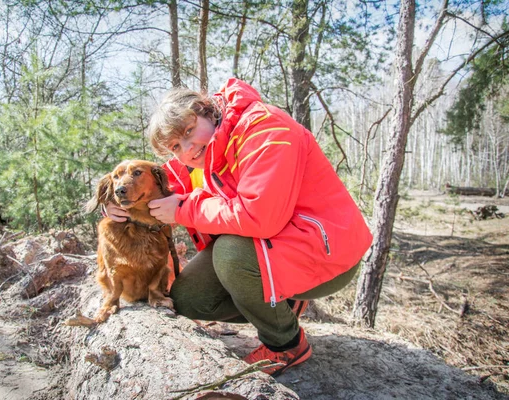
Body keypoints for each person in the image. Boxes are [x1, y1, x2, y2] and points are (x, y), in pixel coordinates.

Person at [106, 78, 373, 377]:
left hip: (326, 251)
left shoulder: (267, 130)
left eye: (189, 131)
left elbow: (260, 217)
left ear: (207, 110)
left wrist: (183, 209)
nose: (189, 149)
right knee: (190, 299)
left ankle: (285, 343)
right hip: (281, 247)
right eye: (176, 146)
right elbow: (165, 180)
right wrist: (120, 199)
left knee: (230, 253)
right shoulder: (206, 149)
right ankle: (282, 302)